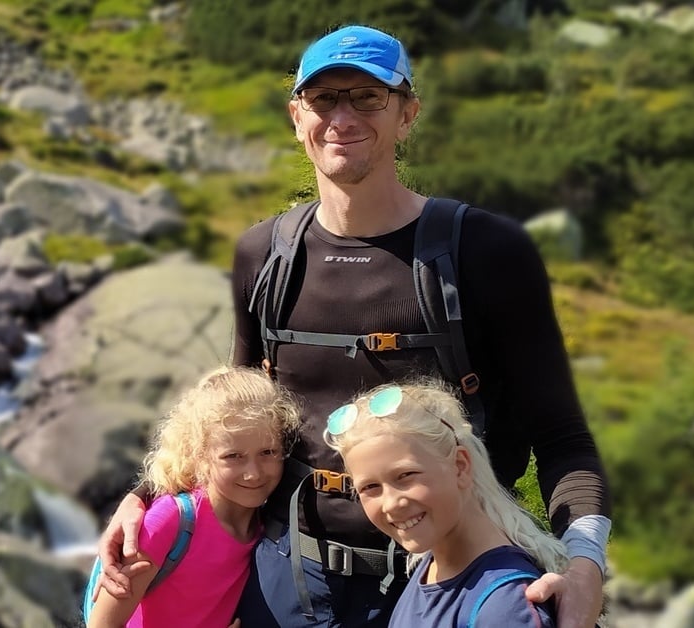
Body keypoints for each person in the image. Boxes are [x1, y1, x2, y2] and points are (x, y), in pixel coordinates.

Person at [97, 24, 612, 628]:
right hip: (290, 580)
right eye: (323, 99)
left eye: (368, 97)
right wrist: (144, 498)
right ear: (297, 117)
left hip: (447, 583)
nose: (342, 117)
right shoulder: (265, 255)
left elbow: (560, 436)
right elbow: (227, 418)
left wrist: (584, 566)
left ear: (407, 113)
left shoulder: (487, 251)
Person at [324, 380, 568, 627]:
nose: (391, 504)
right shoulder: (432, 565)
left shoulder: (504, 606)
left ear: (460, 466)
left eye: (406, 475)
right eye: (370, 487)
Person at [87, 366, 300, 628]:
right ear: (199, 455)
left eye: (268, 452)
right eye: (233, 456)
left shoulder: (268, 523)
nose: (253, 474)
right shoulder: (168, 521)